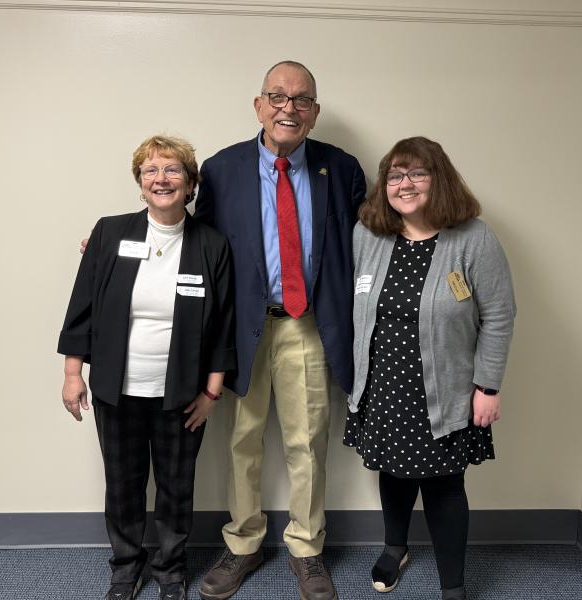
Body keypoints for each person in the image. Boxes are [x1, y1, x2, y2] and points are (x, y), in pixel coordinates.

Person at [194, 61, 366, 600]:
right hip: (243, 328)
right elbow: (195, 241)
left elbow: (366, 242)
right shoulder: (220, 170)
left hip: (308, 325)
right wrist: (117, 244)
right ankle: (242, 544)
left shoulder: (341, 169)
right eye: (277, 96)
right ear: (258, 105)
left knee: (307, 443)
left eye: (301, 99)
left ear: (313, 113)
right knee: (242, 440)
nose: (288, 107)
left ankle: (307, 550)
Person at [58, 135, 235, 600]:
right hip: (118, 389)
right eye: (151, 170)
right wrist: (73, 373)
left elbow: (223, 326)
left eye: (173, 170)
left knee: (177, 488)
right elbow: (83, 309)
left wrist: (211, 394)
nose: (161, 179)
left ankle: (171, 571)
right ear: (140, 184)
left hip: (182, 394)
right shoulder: (109, 234)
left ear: (190, 183)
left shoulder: (212, 245)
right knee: (123, 486)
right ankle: (125, 567)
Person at [344, 137, 515, 600]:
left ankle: (453, 586)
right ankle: (394, 547)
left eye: (417, 173)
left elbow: (499, 315)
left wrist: (488, 386)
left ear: (438, 179)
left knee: (444, 485)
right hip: (383, 384)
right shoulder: (369, 235)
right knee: (393, 473)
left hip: (447, 390)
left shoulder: (473, 237)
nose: (405, 184)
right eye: (395, 175)